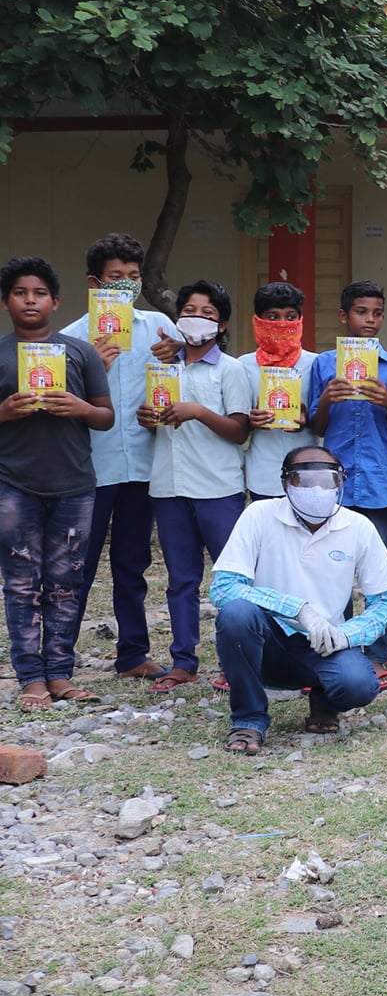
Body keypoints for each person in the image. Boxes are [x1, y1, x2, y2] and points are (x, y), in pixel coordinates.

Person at [209, 447, 387, 753]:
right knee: (236, 614)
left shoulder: (358, 526)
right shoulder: (258, 515)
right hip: (267, 639)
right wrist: (297, 609)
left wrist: (347, 635)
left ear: (341, 483)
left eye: (327, 480)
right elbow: (224, 588)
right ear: (285, 483)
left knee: (359, 685)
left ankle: (324, 700)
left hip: (323, 642)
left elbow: (386, 601)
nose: (317, 490)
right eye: (304, 480)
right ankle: (248, 720)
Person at [0, 256, 115, 710]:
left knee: (67, 580)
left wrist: (80, 408)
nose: (30, 301)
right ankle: (30, 676)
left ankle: (61, 672)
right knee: (20, 582)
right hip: (13, 485)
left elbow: (105, 417)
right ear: (7, 301)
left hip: (74, 485)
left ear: (56, 301)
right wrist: (6, 411)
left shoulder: (81, 352)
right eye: (20, 293)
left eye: (40, 293)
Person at [61, 233, 176, 684]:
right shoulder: (70, 338)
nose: (124, 288)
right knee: (77, 564)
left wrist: (179, 356)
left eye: (132, 278)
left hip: (143, 465)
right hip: (89, 469)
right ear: (94, 283)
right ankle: (60, 657)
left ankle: (132, 653)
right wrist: (93, 370)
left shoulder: (159, 329)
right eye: (114, 279)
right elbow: (58, 409)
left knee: (132, 563)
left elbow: (185, 379)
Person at [141, 280, 254, 693]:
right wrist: (145, 417)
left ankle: (235, 661)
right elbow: (152, 417)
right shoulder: (163, 369)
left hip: (218, 487)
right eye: (189, 310)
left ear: (221, 325)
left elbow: (239, 430)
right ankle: (183, 660)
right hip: (169, 486)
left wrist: (198, 412)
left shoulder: (231, 369)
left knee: (231, 578)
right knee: (180, 578)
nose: (197, 318)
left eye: (207, 313)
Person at [306, 280, 387, 684]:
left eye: (377, 313)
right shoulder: (323, 365)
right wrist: (329, 398)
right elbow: (316, 426)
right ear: (344, 316)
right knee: (333, 568)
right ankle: (339, 645)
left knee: (379, 569)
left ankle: (377, 651)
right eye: (361, 312)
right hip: (334, 487)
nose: (370, 320)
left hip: (380, 480)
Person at [241, 282, 319, 500]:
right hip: (263, 472)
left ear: (300, 320)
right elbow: (235, 419)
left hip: (308, 470)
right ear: (258, 320)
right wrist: (250, 420)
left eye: (291, 317)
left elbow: (325, 418)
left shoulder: (317, 364)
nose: (283, 324)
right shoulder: (242, 366)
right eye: (273, 317)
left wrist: (308, 419)